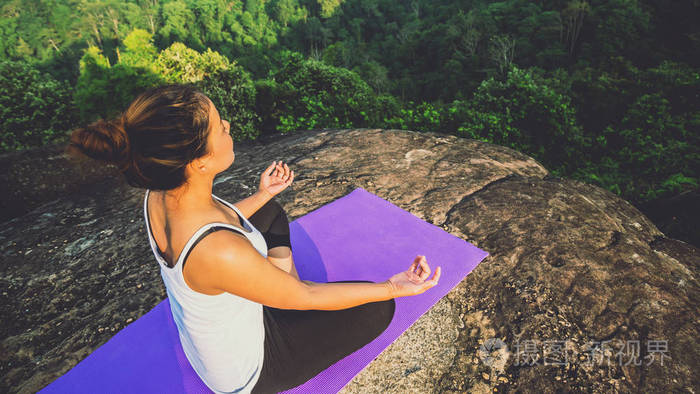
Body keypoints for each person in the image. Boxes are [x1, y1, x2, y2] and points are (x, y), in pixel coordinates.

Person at [65, 83, 442, 394]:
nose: (228, 125)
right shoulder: (217, 250)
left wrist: (262, 194)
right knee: (377, 308)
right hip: (252, 369)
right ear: (198, 162)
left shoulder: (160, 194)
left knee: (267, 212)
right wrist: (394, 286)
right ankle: (281, 293)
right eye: (219, 127)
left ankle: (274, 285)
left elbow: (222, 223)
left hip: (219, 318)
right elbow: (306, 296)